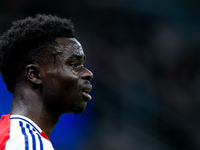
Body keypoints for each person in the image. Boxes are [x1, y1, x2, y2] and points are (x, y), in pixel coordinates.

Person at [0, 14, 93, 150]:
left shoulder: (10, 136)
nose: (88, 73)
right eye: (74, 64)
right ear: (35, 74)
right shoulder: (27, 143)